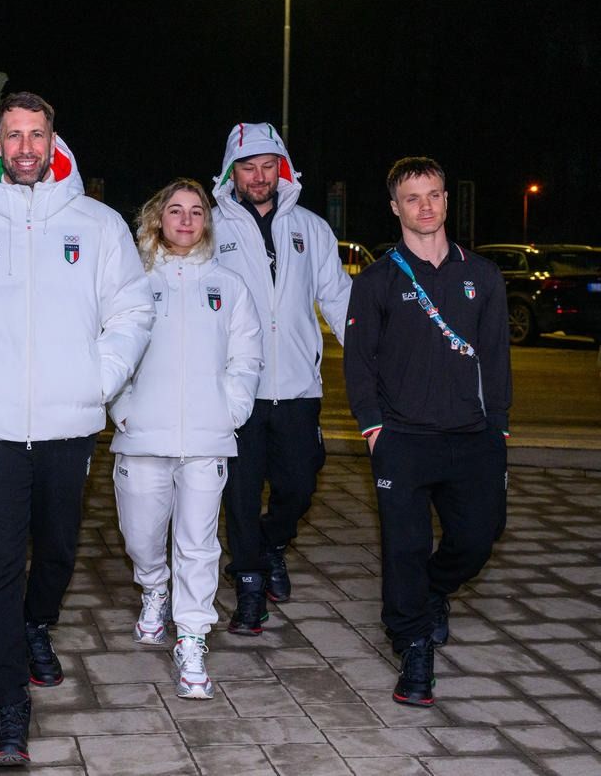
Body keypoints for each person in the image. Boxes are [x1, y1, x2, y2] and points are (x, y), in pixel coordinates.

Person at [0, 91, 153, 766]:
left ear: (54, 141)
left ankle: (37, 622)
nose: (24, 147)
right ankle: (8, 708)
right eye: (13, 135)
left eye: (36, 135)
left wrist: (96, 381)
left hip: (67, 423)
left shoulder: (98, 225)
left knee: (56, 550)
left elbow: (132, 311)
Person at [344, 156, 510, 706]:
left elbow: (497, 358)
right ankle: (413, 644)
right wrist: (374, 430)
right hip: (404, 440)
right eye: (412, 198)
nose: (425, 207)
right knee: (405, 549)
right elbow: (359, 363)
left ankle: (433, 590)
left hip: (473, 437)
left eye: (434, 195)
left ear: (446, 200)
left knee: (479, 538)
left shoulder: (482, 275)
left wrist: (499, 430)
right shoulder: (377, 280)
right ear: (395, 207)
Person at [109, 178, 262, 699]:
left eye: (197, 211)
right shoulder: (133, 280)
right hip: (142, 436)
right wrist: (122, 409)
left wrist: (231, 410)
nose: (187, 219)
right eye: (176, 210)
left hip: (206, 438)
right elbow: (110, 348)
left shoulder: (228, 285)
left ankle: (192, 638)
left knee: (198, 544)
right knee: (141, 536)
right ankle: (154, 587)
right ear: (158, 217)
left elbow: (246, 356)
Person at [211, 122, 351, 633]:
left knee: (299, 484)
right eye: (248, 167)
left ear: (283, 169)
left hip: (297, 387)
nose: (259, 176)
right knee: (241, 494)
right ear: (232, 173)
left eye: (268, 166)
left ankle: (272, 543)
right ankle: (249, 584)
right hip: (236, 389)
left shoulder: (311, 228)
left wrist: (375, 356)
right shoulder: (212, 228)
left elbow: (338, 298)